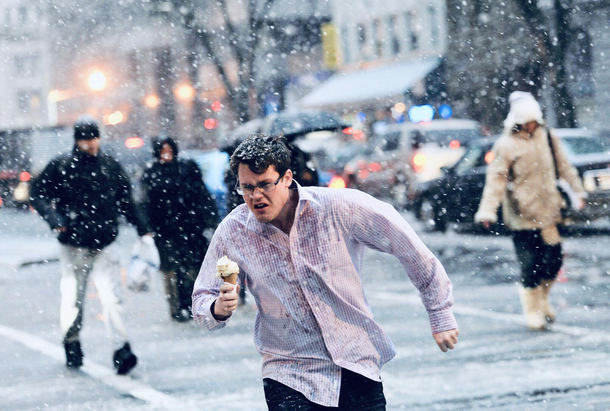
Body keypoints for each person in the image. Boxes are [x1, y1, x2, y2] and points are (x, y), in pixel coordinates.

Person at [192, 134, 459, 410]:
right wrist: (218, 308)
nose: (255, 196)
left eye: (264, 185)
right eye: (246, 188)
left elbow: (409, 247)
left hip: (354, 363)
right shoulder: (234, 231)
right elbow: (201, 299)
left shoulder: (339, 208)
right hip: (287, 371)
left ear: (286, 178)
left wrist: (440, 311)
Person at [30, 115, 152, 374]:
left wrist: (143, 229)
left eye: (93, 138)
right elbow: (38, 194)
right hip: (78, 243)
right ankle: (76, 343)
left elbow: (126, 201)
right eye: (86, 139)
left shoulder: (95, 166)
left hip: (97, 241)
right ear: (78, 140)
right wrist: (56, 220)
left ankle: (119, 348)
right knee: (76, 298)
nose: (91, 144)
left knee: (107, 298)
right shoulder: (71, 166)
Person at [475, 91, 586, 330]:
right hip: (521, 217)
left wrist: (579, 192)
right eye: (525, 121)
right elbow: (496, 181)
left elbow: (564, 167)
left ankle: (543, 299)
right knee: (530, 265)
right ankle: (532, 310)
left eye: (533, 120)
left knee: (554, 261)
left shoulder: (547, 137)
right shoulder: (505, 145)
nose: (530, 125)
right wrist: (487, 211)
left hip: (549, 214)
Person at [140, 136, 218, 322]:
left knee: (192, 268)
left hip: (190, 228)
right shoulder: (151, 172)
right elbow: (145, 202)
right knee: (171, 271)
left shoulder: (187, 167)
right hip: (165, 230)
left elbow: (201, 194)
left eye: (169, 149)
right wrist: (147, 227)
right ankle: (177, 308)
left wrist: (209, 219)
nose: (166, 153)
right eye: (162, 149)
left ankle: (194, 306)